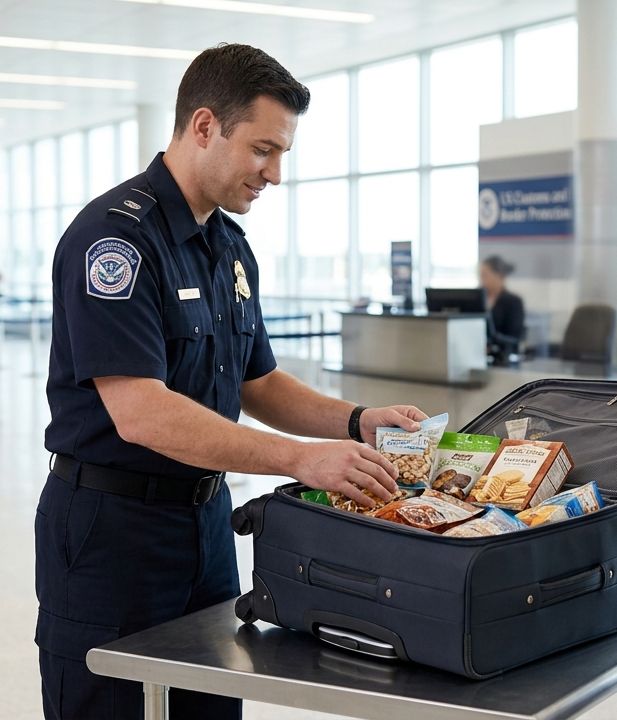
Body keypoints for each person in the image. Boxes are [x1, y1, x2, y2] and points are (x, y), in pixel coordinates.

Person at [37, 43, 427, 720]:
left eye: (282, 155)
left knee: (210, 707)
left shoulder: (227, 244)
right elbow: (143, 414)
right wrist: (301, 460)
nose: (274, 174)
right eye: (263, 150)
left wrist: (357, 420)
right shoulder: (116, 241)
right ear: (205, 126)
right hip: (113, 534)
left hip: (207, 528)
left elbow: (259, 380)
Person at [480, 255, 524, 365]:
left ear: (499, 276)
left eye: (485, 276)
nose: (482, 281)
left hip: (503, 358)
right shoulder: (479, 300)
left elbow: (514, 337)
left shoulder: (513, 302)